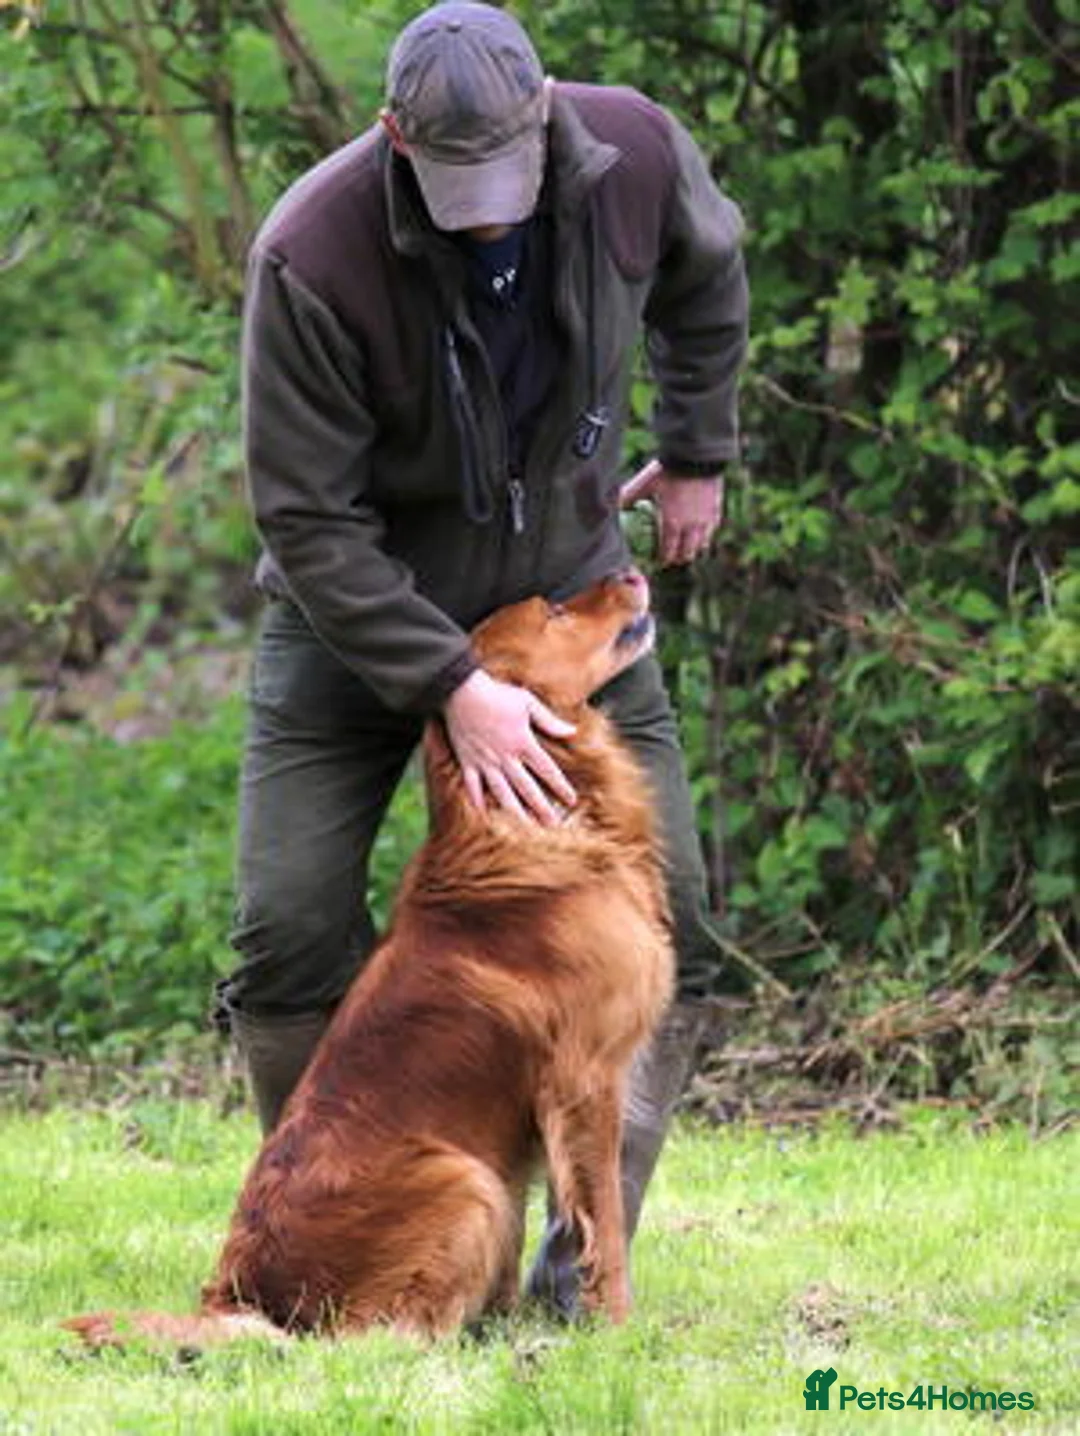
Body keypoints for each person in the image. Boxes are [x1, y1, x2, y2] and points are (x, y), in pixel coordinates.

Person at [215, 0, 749, 1318]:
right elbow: (305, 518)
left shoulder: (632, 154)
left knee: (674, 908)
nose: (492, 213)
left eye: (508, 175)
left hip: (559, 600)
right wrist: (458, 691)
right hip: (361, 624)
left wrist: (695, 448)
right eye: (460, 188)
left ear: (547, 108)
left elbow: (708, 278)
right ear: (395, 136)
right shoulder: (314, 249)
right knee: (284, 930)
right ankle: (338, 1255)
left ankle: (579, 1285)